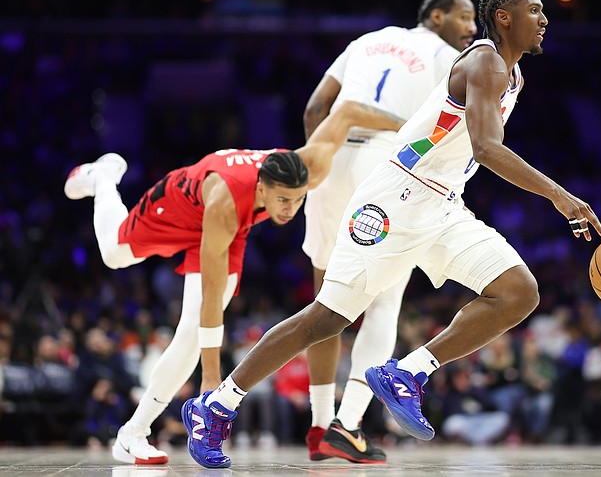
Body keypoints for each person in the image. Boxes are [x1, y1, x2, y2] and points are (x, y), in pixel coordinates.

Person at [182, 0, 601, 470]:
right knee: (328, 317)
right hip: (396, 198)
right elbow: (487, 149)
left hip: (442, 204)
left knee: (518, 292)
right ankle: (215, 405)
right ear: (504, 17)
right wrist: (560, 195)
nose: (544, 18)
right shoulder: (483, 61)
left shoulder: (513, 75)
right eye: (534, 9)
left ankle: (409, 373)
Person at [63, 100, 401, 465]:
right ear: (262, 189)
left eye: (297, 200)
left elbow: (347, 113)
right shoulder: (226, 202)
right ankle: (104, 178)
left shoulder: (309, 167)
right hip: (183, 205)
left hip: (231, 226)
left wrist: (414, 124)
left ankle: (133, 433)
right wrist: (211, 381)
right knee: (116, 255)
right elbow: (210, 296)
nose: (289, 209)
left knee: (191, 334)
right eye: (282, 200)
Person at [300, 0, 476, 464]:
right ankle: (349, 425)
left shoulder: (366, 40)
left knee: (326, 299)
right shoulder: (451, 56)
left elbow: (316, 109)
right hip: (385, 162)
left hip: (330, 154)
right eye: (463, 17)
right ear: (435, 16)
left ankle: (318, 426)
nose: (472, 28)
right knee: (382, 302)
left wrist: (320, 161)